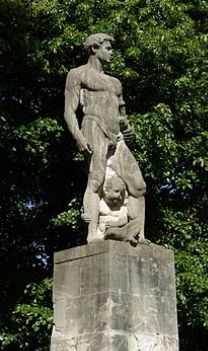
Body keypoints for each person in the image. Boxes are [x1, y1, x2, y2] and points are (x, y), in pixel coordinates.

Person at [64, 33, 147, 243]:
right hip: (93, 126)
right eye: (108, 48)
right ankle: (93, 233)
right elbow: (69, 111)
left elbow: (122, 114)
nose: (112, 52)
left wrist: (127, 128)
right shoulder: (78, 74)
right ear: (94, 49)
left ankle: (137, 232)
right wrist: (78, 136)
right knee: (96, 179)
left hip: (117, 136)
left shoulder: (115, 82)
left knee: (138, 185)